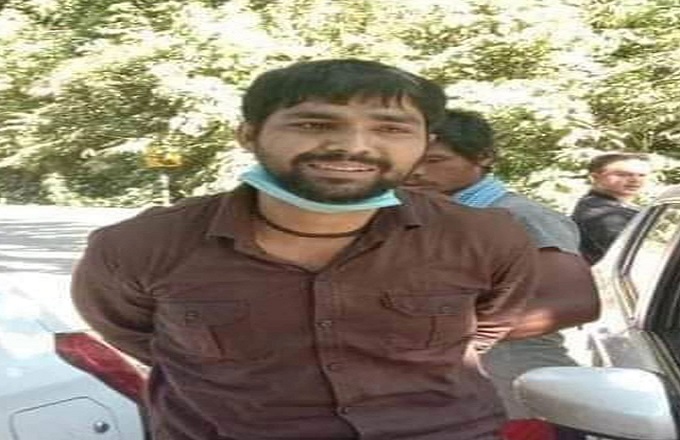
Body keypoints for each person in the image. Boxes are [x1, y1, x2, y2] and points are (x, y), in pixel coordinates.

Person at [71, 59, 540, 440]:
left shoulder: (484, 237)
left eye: (391, 128)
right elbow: (133, 332)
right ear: (248, 134)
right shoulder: (138, 246)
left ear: (424, 143)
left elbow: (484, 329)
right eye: (315, 123)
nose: (353, 146)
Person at [404, 109, 599, 432]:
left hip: (516, 397)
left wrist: (437, 340)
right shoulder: (421, 217)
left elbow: (573, 303)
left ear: (484, 157)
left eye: (435, 160)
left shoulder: (520, 216)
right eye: (409, 160)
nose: (416, 172)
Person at [571, 152, 652, 265]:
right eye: (622, 174)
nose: (635, 180)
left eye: (641, 175)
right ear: (594, 177)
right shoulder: (602, 214)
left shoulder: (605, 206)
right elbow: (637, 261)